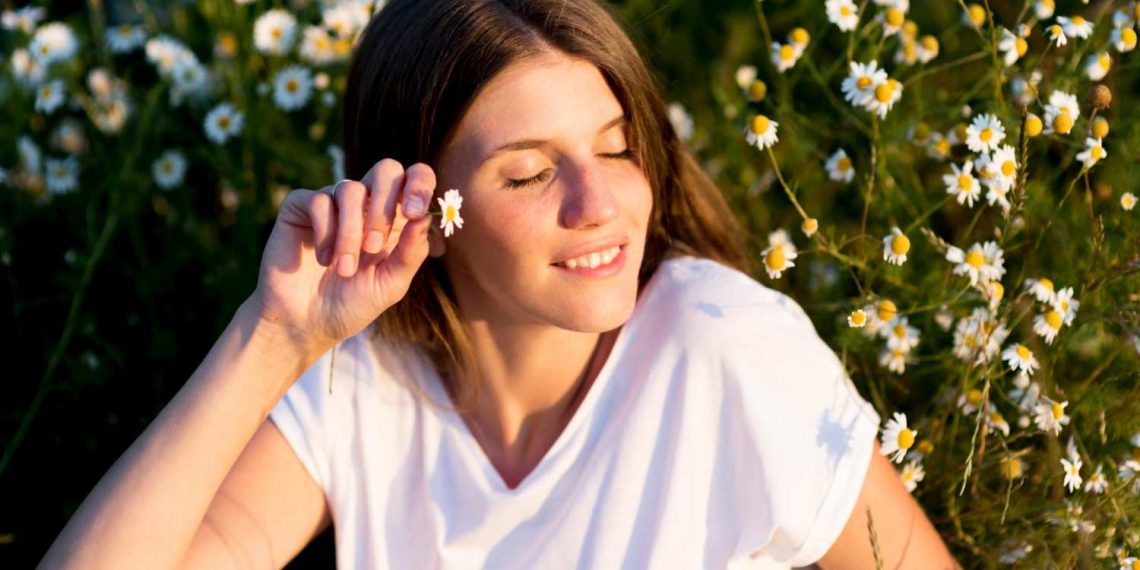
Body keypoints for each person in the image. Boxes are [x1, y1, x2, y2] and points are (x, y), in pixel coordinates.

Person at [42, 0, 960, 568]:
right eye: (528, 174)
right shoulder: (363, 376)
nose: (600, 203)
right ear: (421, 210)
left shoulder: (727, 349)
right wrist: (275, 334)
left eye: (616, 146)